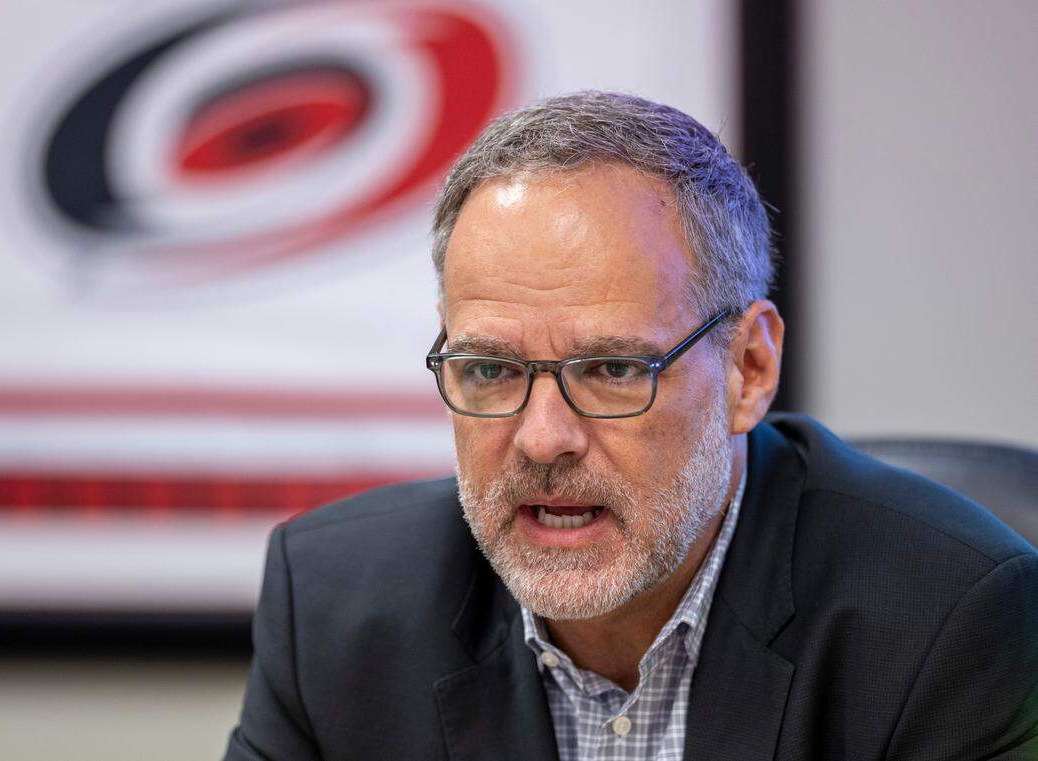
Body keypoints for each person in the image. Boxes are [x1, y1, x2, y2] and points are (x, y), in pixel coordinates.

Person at [223, 91, 1037, 761]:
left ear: (749, 369)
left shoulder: (951, 621)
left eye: (613, 368)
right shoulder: (334, 606)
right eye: (492, 369)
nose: (543, 439)